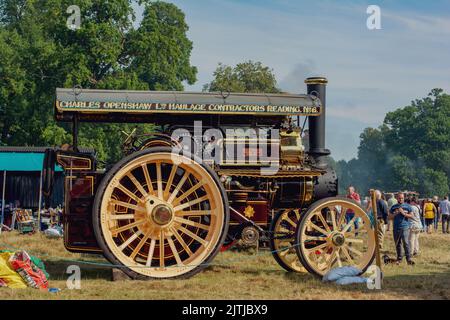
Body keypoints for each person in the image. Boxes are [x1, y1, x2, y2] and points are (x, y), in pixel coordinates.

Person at [389, 193, 415, 265]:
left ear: (404, 198)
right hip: (396, 227)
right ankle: (399, 259)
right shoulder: (393, 207)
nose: (401, 199)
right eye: (399, 198)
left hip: (405, 227)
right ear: (397, 198)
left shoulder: (408, 206)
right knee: (398, 244)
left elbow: (412, 216)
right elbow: (389, 217)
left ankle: (408, 259)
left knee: (406, 243)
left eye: (402, 198)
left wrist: (403, 213)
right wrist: (395, 213)